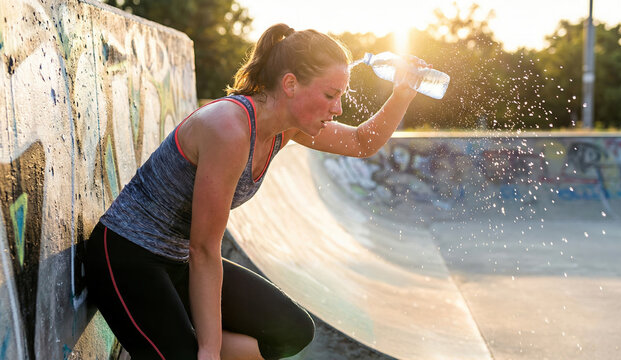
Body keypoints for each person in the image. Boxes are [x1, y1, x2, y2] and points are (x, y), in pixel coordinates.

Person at [84, 23, 429, 360]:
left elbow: (360, 141)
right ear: (290, 84)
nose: (337, 108)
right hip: (127, 253)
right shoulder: (229, 129)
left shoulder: (288, 127)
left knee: (292, 330)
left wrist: (403, 92)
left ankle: (186, 343)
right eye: (329, 95)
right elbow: (204, 247)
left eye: (341, 96)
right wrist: (210, 349)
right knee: (198, 353)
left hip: (178, 261)